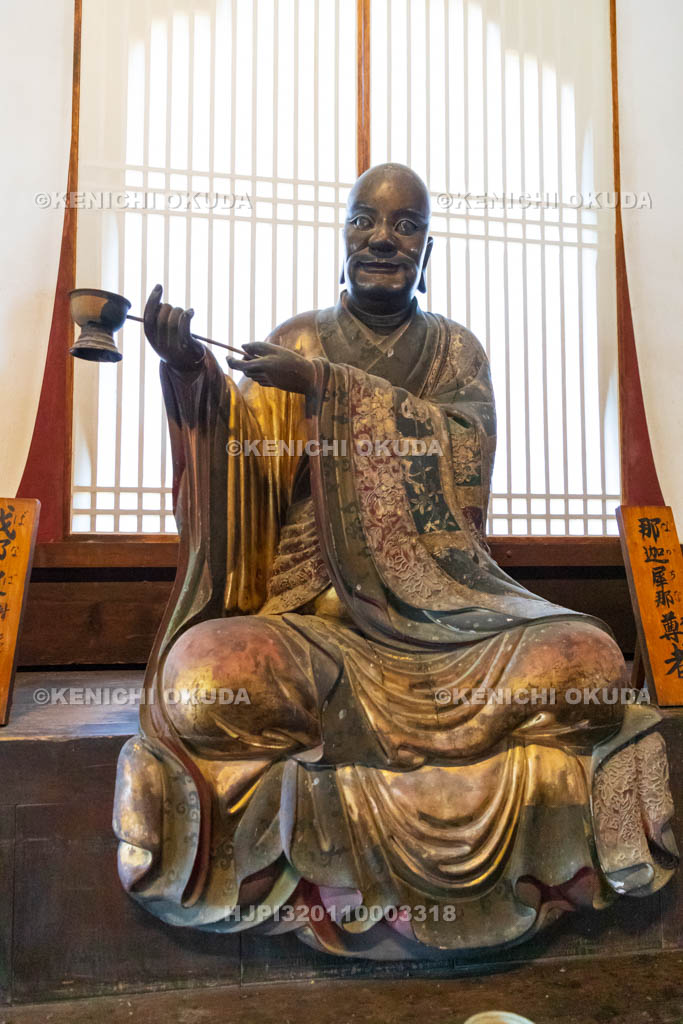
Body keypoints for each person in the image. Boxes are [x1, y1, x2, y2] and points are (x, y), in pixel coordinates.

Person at [113, 163, 676, 958]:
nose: (382, 238)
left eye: (404, 225)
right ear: (342, 235)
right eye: (363, 221)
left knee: (584, 662)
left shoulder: (453, 354)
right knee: (204, 680)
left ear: (427, 245)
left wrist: (329, 389)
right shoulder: (298, 337)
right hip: (318, 630)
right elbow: (249, 484)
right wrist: (190, 374)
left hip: (446, 625)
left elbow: (463, 483)